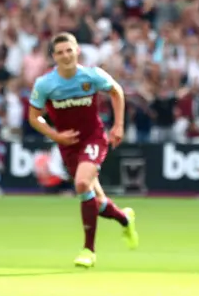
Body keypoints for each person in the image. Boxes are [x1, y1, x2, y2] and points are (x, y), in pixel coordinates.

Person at [28, 33, 139, 268]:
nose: (66, 55)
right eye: (60, 52)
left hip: (93, 139)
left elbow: (116, 91)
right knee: (94, 199)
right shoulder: (45, 84)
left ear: (77, 51)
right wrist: (55, 135)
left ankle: (89, 250)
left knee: (81, 185)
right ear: (53, 57)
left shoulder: (91, 75)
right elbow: (34, 116)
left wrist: (118, 125)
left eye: (69, 50)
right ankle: (124, 218)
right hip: (68, 146)